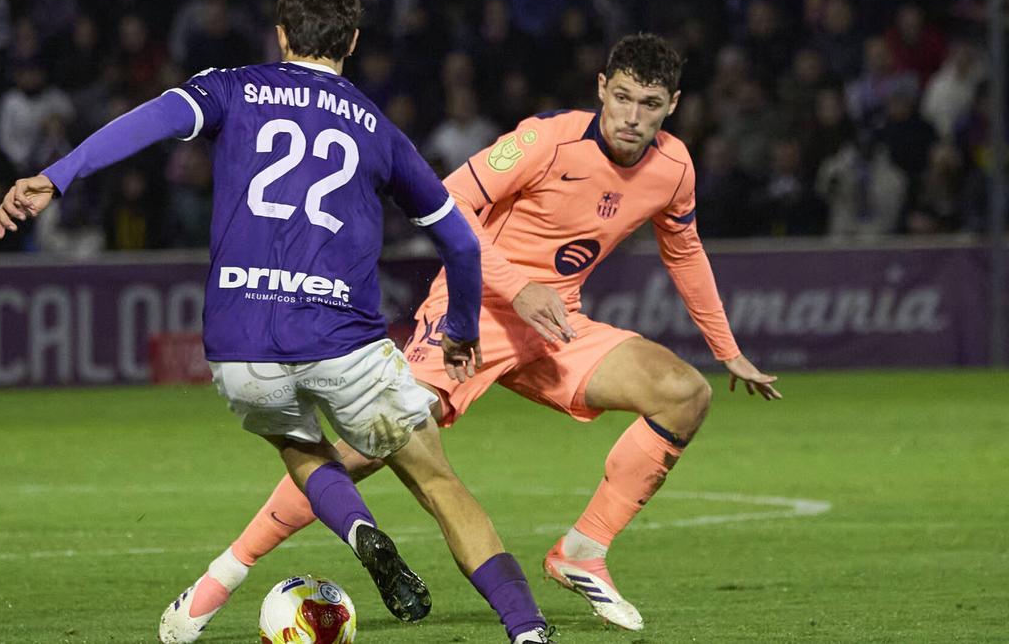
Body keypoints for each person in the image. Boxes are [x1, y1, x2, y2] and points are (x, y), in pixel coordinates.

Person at [0, 0, 553, 643]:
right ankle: (526, 629)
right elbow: (461, 244)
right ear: (351, 38)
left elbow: (147, 121)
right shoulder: (377, 128)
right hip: (342, 336)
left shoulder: (230, 88)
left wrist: (56, 176)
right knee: (437, 481)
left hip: (240, 343)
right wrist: (461, 328)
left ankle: (360, 530)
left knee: (297, 443)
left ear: (282, 33)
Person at [183, 33, 782, 635]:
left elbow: (685, 251)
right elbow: (450, 203)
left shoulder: (674, 168)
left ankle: (582, 551)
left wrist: (727, 352)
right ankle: (224, 575)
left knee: (684, 393)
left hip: (554, 325)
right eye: (621, 97)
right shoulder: (545, 141)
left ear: (672, 104)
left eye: (649, 104)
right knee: (371, 448)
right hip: (475, 314)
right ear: (601, 87)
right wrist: (518, 286)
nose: (631, 117)